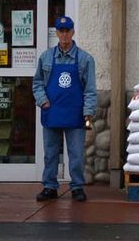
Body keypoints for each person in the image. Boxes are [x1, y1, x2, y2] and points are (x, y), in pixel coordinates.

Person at [32, 16, 97, 202]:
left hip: (75, 113)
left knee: (76, 154)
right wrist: (43, 101)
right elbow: (37, 83)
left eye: (68, 30)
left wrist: (88, 111)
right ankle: (49, 187)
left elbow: (90, 89)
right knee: (50, 153)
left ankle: (77, 187)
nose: (65, 34)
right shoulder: (46, 57)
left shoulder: (85, 59)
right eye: (61, 31)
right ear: (57, 33)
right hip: (51, 112)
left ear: (73, 32)